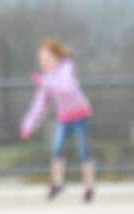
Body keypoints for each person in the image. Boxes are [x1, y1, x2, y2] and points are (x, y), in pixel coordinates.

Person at [20, 39, 97, 202]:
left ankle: (89, 187)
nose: (44, 64)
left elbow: (66, 88)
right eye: (42, 61)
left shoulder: (67, 68)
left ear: (57, 58)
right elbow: (40, 105)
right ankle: (58, 183)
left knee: (84, 151)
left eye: (47, 60)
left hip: (80, 114)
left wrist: (46, 81)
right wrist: (29, 125)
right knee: (57, 149)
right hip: (65, 117)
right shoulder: (47, 79)